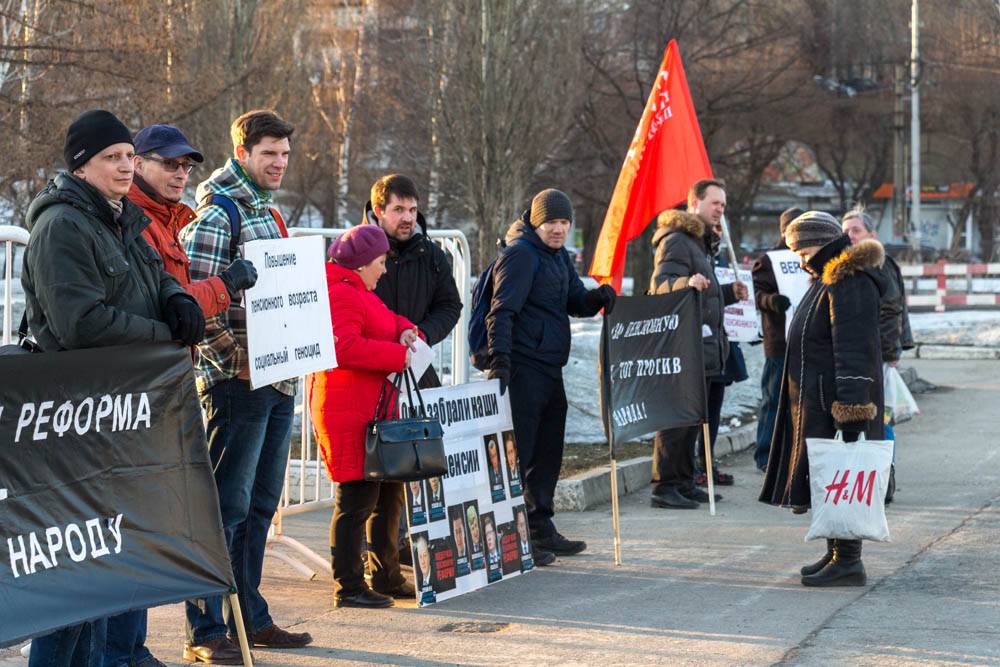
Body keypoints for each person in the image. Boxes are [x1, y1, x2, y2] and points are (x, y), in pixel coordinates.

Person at [21, 109, 205, 667]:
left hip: (123, 415)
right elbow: (81, 324)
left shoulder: (121, 219)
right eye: (113, 158)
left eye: (129, 155)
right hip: (75, 420)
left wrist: (178, 300)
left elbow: (155, 276)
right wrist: (163, 335)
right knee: (74, 587)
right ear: (82, 166)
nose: (126, 166)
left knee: (108, 575)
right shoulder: (61, 226)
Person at [102, 124, 249, 667]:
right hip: (137, 393)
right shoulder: (134, 225)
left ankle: (129, 648)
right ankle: (124, 651)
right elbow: (174, 306)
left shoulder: (162, 223)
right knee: (129, 529)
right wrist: (225, 287)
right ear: (138, 164)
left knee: (145, 526)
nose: (180, 174)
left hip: (163, 387)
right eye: (168, 163)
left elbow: (177, 303)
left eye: (186, 165)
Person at [180, 109, 311, 662]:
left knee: (260, 508)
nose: (278, 163)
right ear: (243, 153)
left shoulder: (271, 213)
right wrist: (237, 362)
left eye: (284, 154)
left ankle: (249, 615)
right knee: (223, 509)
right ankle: (208, 630)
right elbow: (195, 303)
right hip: (237, 385)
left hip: (279, 383)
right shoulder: (218, 213)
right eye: (268, 155)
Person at [486, 188, 615, 561]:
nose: (557, 229)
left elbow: (574, 300)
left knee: (547, 453)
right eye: (550, 222)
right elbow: (502, 312)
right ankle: (513, 537)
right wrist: (501, 360)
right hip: (523, 369)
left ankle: (540, 525)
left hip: (550, 367)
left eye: (563, 222)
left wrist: (598, 298)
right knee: (521, 454)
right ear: (536, 222)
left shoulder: (559, 258)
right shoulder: (521, 256)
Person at [759, 211, 885, 587]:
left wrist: (851, 408)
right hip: (819, 396)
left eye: (801, 250)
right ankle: (836, 553)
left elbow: (854, 349)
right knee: (831, 477)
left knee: (844, 477)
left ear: (819, 242)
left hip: (836, 401)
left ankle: (848, 560)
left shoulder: (848, 280)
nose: (798, 258)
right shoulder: (826, 276)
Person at [309, 224, 418, 609]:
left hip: (371, 409)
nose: (385, 269)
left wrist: (405, 332)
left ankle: (386, 575)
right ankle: (349, 585)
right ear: (360, 264)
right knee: (355, 500)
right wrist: (395, 356)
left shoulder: (361, 292)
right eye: (380, 262)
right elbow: (344, 347)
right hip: (347, 411)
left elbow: (388, 321)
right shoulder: (342, 294)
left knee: (387, 494)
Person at [648, 179, 748, 510]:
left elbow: (704, 294)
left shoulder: (699, 243)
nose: (720, 209)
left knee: (694, 419)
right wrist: (684, 282)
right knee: (677, 419)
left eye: (723, 204)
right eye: (715, 203)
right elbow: (661, 285)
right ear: (695, 203)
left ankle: (685, 481)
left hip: (703, 346)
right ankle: (665, 486)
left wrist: (729, 294)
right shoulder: (676, 241)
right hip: (683, 346)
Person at [842, 206, 914, 503]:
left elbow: (890, 310)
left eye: (855, 231)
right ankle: (872, 478)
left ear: (871, 235)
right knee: (870, 419)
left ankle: (884, 479)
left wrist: (887, 352)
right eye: (844, 231)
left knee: (880, 420)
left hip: (876, 357)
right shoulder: (854, 264)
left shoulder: (878, 262)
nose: (849, 236)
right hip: (863, 355)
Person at [364, 174, 462, 387]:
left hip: (418, 368)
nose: (408, 218)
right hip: (367, 372)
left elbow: (450, 305)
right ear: (379, 211)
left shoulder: (432, 255)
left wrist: (423, 335)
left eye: (413, 210)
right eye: (398, 210)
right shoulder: (356, 252)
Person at [751, 207, 803, 472]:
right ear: (784, 230)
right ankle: (765, 455)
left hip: (807, 342)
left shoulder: (812, 255)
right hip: (779, 342)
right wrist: (772, 301)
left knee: (802, 402)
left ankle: (795, 454)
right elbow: (757, 294)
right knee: (773, 399)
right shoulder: (769, 260)